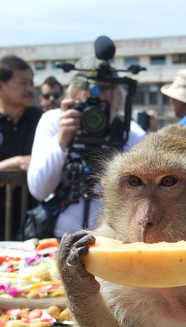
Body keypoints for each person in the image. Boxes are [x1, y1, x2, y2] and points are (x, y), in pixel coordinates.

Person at [27, 57, 146, 238]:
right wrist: (61, 140)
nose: (95, 116)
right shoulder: (54, 122)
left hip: (108, 241)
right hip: (57, 238)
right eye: (86, 106)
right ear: (72, 100)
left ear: (116, 102)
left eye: (103, 108)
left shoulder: (129, 134)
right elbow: (39, 190)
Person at [0, 55, 41, 174]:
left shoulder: (41, 119)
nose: (30, 89)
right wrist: (15, 163)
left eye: (31, 84)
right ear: (0, 87)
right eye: (23, 83)